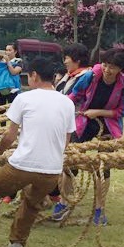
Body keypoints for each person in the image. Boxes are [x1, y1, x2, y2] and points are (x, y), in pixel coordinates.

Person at [0, 58, 75, 247]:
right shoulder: (67, 103)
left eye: (28, 76)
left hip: (22, 164)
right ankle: (17, 244)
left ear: (34, 75)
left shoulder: (24, 99)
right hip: (51, 171)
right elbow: (66, 141)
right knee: (32, 203)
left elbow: (9, 136)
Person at [66, 47, 124, 225]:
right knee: (70, 161)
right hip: (83, 121)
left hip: (108, 126)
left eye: (113, 67)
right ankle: (64, 203)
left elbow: (122, 110)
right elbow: (74, 96)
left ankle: (100, 209)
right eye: (106, 65)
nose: (107, 70)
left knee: (103, 166)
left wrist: (98, 112)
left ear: (121, 69)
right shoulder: (89, 76)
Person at [48, 42, 91, 220]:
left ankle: (64, 202)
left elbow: (74, 100)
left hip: (75, 124)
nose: (64, 61)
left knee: (69, 163)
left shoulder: (85, 76)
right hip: (60, 123)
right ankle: (55, 197)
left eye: (67, 57)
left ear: (77, 59)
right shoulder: (70, 75)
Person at [0, 43, 23, 126]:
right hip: (1, 88)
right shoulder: (1, 61)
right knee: (1, 110)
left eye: (10, 50)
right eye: (6, 50)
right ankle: (2, 130)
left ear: (15, 51)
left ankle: (13, 130)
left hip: (12, 89)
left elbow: (13, 72)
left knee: (13, 110)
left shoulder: (18, 61)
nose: (7, 52)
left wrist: (8, 62)